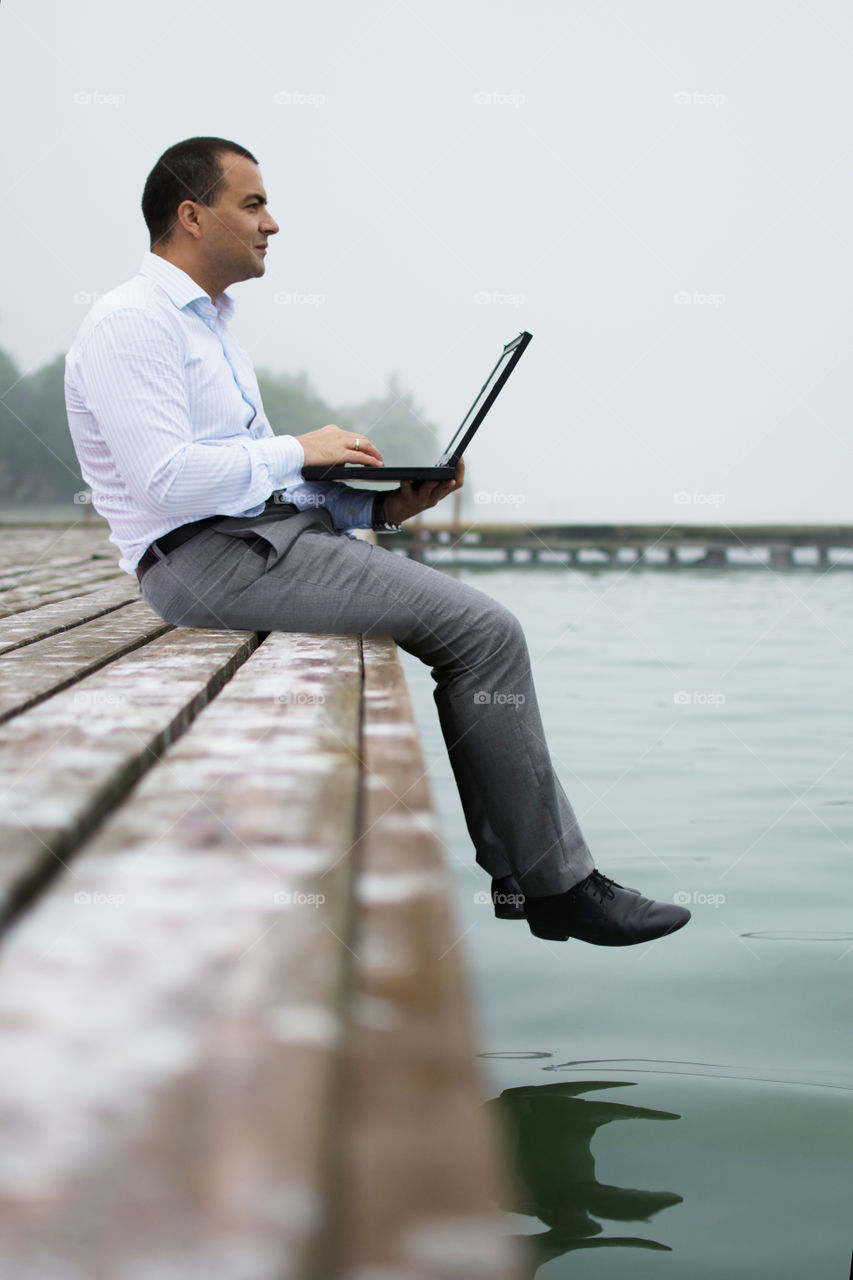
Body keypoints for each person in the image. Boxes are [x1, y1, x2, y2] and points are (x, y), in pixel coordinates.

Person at [65, 136, 690, 948]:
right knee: (485, 632)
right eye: (252, 204)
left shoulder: (210, 325)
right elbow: (166, 482)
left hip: (257, 540)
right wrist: (300, 447)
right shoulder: (132, 323)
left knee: (478, 633)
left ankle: (535, 879)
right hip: (202, 562)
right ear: (191, 216)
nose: (272, 223)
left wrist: (381, 509)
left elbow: (243, 479)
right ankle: (554, 886)